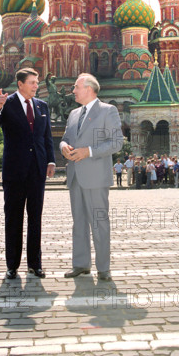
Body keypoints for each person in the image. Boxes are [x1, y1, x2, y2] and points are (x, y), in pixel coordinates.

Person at [0, 67, 55, 280]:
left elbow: (47, 137)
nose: (36, 86)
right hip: (14, 172)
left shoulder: (42, 105)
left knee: (36, 218)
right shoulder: (7, 104)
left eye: (37, 82)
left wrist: (50, 160)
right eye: (32, 82)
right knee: (13, 219)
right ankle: (12, 266)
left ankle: (35, 264)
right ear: (20, 84)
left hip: (37, 170)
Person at [60, 73, 123, 281]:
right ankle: (81, 264)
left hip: (95, 176)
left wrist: (89, 151)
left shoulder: (108, 111)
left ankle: (103, 268)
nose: (73, 91)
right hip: (75, 176)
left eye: (76, 87)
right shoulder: (73, 114)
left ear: (88, 88)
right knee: (78, 222)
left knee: (99, 222)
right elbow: (66, 138)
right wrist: (63, 147)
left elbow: (116, 143)